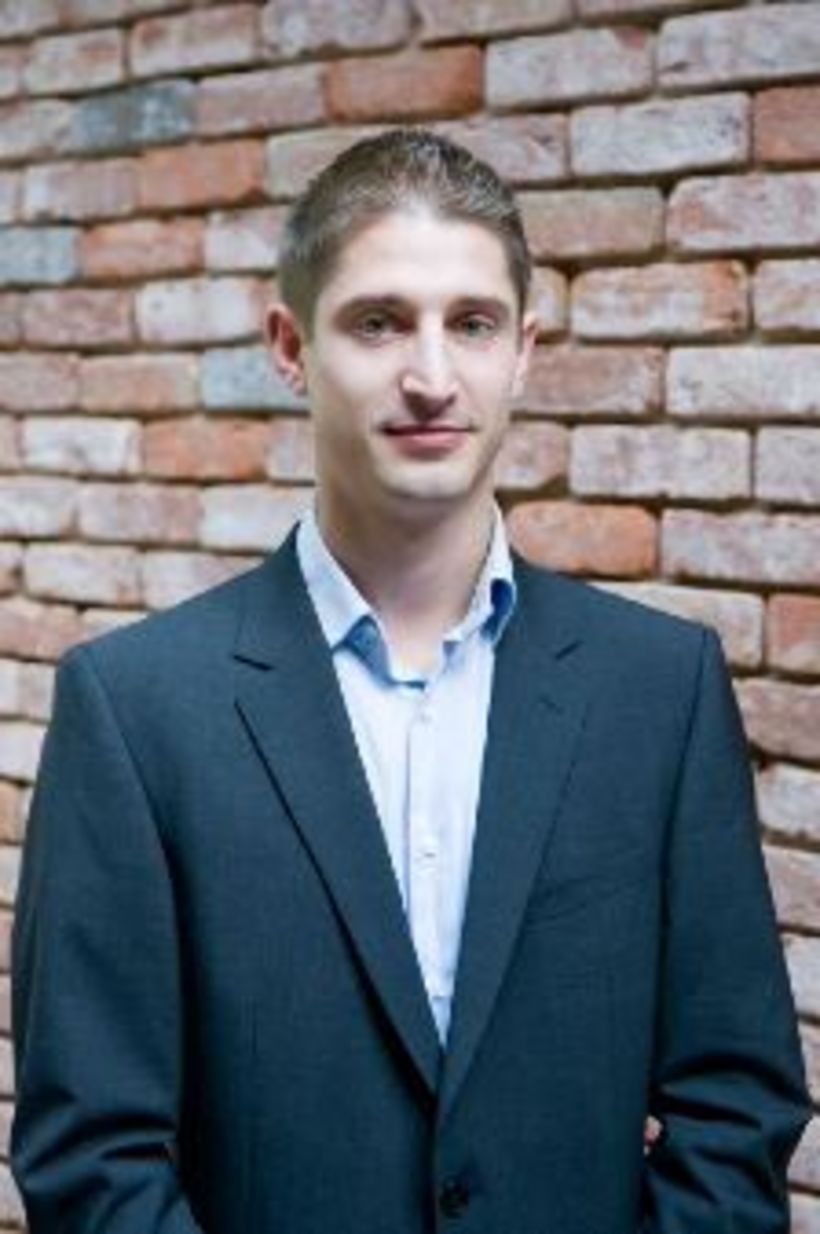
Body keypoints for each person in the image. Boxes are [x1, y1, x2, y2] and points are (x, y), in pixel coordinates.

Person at [11, 128, 810, 1233]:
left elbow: (737, 1106)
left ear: (522, 350)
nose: (432, 379)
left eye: (471, 324)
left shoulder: (660, 692)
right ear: (291, 346)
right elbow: (90, 1158)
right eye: (379, 322)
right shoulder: (135, 709)